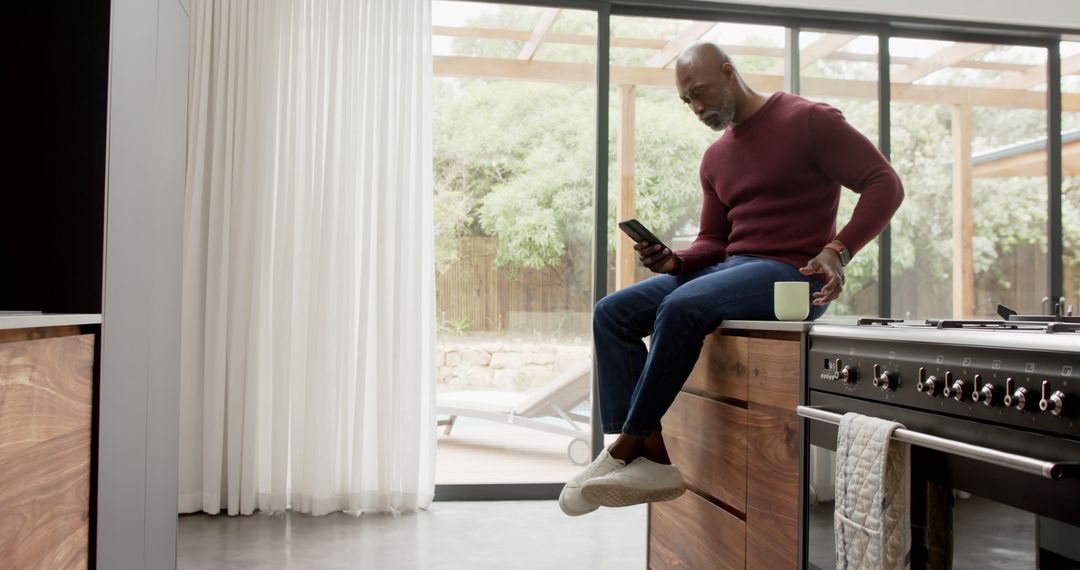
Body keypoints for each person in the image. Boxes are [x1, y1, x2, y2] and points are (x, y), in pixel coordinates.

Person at [559, 41, 904, 516]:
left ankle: (627, 447)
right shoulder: (715, 159)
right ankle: (651, 452)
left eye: (701, 93)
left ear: (728, 72)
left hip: (792, 277)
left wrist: (837, 250)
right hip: (734, 269)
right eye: (687, 101)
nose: (698, 108)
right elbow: (714, 243)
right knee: (611, 313)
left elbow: (885, 183)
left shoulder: (809, 120)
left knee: (680, 307)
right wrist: (674, 262)